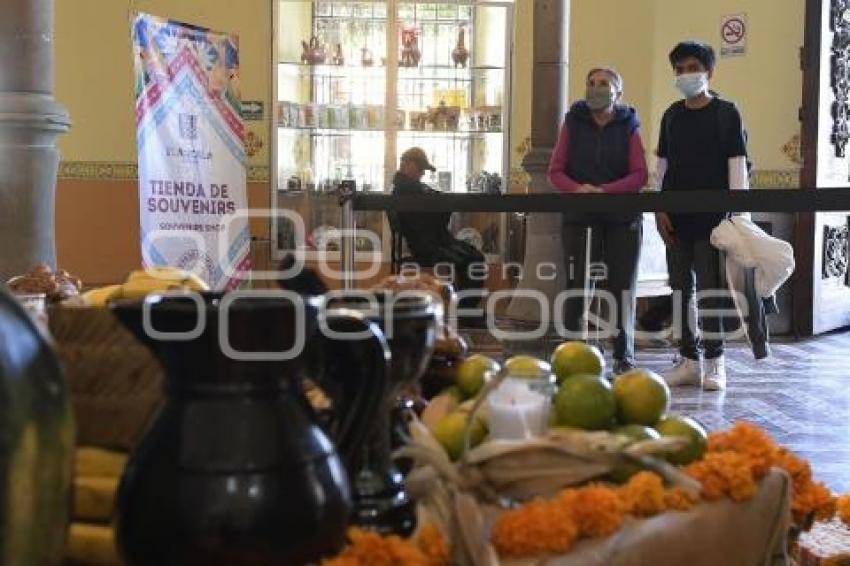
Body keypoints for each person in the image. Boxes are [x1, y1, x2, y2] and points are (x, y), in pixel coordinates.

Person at [655, 40, 750, 391]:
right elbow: (661, 167)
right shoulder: (671, 115)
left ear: (709, 71)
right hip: (676, 218)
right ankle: (688, 360)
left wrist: (735, 215)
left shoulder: (727, 112)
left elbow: (737, 166)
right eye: (678, 70)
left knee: (711, 290)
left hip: (714, 218)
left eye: (692, 67)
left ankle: (715, 361)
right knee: (680, 288)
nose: (685, 75)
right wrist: (659, 207)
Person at [548, 67, 649, 376]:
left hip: (621, 216)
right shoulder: (573, 122)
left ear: (617, 92)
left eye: (604, 84)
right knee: (578, 284)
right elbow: (556, 171)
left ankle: (623, 355)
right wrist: (579, 190)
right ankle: (571, 351)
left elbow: (639, 174)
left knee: (622, 286)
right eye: (591, 83)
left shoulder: (629, 124)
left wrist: (605, 191)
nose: (596, 88)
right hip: (580, 214)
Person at [391, 147, 485, 312]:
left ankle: (464, 308)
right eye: (419, 168)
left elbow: (437, 209)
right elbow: (436, 214)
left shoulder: (409, 188)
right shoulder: (406, 189)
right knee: (474, 259)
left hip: (433, 243)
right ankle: (466, 310)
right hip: (431, 247)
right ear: (405, 165)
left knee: (472, 258)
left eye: (422, 169)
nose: (422, 173)